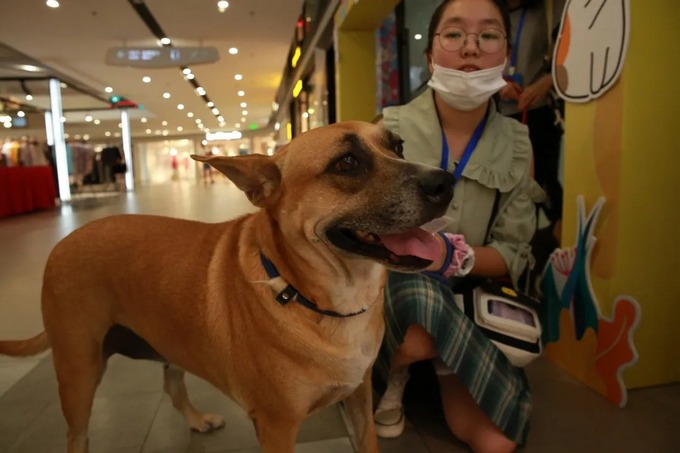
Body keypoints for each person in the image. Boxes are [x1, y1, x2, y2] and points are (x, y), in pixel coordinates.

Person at [372, 0, 543, 451]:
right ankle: (396, 371)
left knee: (497, 443)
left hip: (469, 291)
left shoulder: (519, 144)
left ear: (505, 55)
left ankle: (448, 362)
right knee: (417, 312)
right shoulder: (388, 130)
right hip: (396, 287)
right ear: (431, 56)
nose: (471, 48)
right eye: (453, 34)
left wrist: (450, 256)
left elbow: (512, 253)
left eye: (488, 35)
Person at [499, 0, 565, 242]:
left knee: (544, 180)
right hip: (499, 114)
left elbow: (570, 54)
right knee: (508, 185)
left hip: (538, 111)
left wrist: (545, 83)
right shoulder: (489, 12)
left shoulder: (549, 9)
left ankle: (559, 240)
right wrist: (496, 86)